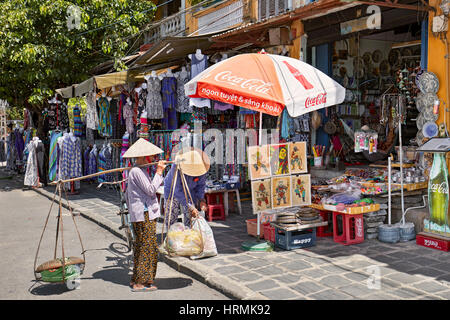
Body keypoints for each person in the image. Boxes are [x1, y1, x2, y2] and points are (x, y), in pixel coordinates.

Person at [123, 138, 166, 292]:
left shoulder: (140, 171)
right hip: (143, 215)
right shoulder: (136, 171)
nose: (154, 159)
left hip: (144, 213)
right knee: (147, 247)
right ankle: (140, 282)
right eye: (152, 156)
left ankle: (138, 278)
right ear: (143, 157)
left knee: (144, 246)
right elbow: (150, 190)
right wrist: (159, 172)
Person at [164, 147, 210, 229]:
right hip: (173, 190)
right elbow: (177, 190)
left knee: (191, 217)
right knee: (171, 216)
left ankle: (189, 235)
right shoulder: (177, 167)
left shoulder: (201, 168)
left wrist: (201, 200)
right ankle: (171, 236)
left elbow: (201, 186)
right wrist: (190, 206)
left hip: (190, 191)